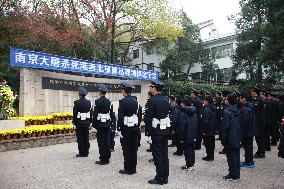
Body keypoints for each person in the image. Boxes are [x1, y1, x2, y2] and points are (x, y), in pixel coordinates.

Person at [144, 81, 172, 185]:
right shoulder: (166, 100)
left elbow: (148, 118)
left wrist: (148, 132)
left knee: (157, 155)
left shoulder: (152, 100)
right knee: (164, 154)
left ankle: (160, 177)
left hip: (156, 131)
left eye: (151, 87)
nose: (150, 88)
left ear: (155, 88)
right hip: (165, 130)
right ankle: (165, 177)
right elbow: (170, 113)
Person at [117, 82, 140, 175]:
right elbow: (138, 115)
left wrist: (119, 128)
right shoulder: (135, 101)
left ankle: (128, 169)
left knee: (126, 149)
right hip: (134, 127)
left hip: (126, 128)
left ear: (124, 91)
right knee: (133, 148)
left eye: (122, 90)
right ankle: (133, 168)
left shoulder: (123, 101)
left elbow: (121, 116)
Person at [221, 93, 241, 181]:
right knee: (236, 156)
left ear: (228, 101)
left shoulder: (227, 112)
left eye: (226, 99)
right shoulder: (238, 109)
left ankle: (232, 175)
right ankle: (236, 175)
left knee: (231, 157)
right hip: (237, 136)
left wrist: (223, 140)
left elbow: (225, 127)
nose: (225, 100)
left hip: (230, 137)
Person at [93, 84, 113, 165]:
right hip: (107, 124)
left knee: (101, 142)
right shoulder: (109, 101)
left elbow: (95, 114)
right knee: (107, 141)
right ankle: (107, 158)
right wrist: (111, 123)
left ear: (100, 92)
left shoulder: (97, 101)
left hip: (100, 124)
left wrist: (94, 125)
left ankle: (103, 159)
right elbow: (111, 113)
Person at [239, 93, 258, 168]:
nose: (239, 100)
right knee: (249, 146)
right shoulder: (250, 105)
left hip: (247, 131)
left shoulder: (245, 108)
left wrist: (242, 132)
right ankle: (249, 161)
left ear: (244, 99)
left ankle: (248, 162)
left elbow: (244, 121)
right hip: (250, 130)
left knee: (247, 147)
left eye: (240, 98)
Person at [73, 87, 93, 157]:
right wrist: (90, 122)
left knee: (80, 138)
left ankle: (81, 152)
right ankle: (86, 152)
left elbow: (75, 114)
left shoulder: (77, 102)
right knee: (86, 137)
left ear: (79, 94)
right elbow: (91, 113)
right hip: (87, 122)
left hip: (79, 123)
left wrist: (74, 123)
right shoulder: (89, 102)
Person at [179, 98, 198, 171]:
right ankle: (191, 164)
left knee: (187, 151)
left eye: (182, 103)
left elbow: (183, 126)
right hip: (193, 134)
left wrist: (181, 137)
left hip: (186, 135)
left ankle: (189, 165)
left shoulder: (184, 113)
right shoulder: (194, 112)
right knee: (191, 150)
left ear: (184, 104)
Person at [250, 87, 266, 158]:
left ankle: (262, 153)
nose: (251, 93)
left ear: (255, 92)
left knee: (260, 138)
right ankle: (259, 151)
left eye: (252, 92)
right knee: (258, 137)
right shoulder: (255, 99)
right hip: (258, 121)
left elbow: (254, 109)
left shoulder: (258, 100)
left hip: (259, 122)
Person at [201, 95, 217, 161]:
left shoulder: (206, 109)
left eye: (204, 100)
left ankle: (209, 157)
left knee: (207, 144)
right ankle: (211, 156)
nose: (203, 102)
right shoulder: (213, 108)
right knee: (211, 143)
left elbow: (205, 121)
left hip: (207, 130)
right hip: (212, 129)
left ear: (207, 101)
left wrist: (204, 130)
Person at [219, 90, 230, 154]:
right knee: (223, 134)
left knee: (224, 134)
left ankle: (226, 148)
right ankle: (225, 147)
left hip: (224, 119)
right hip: (222, 118)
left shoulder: (226, 101)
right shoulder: (223, 101)